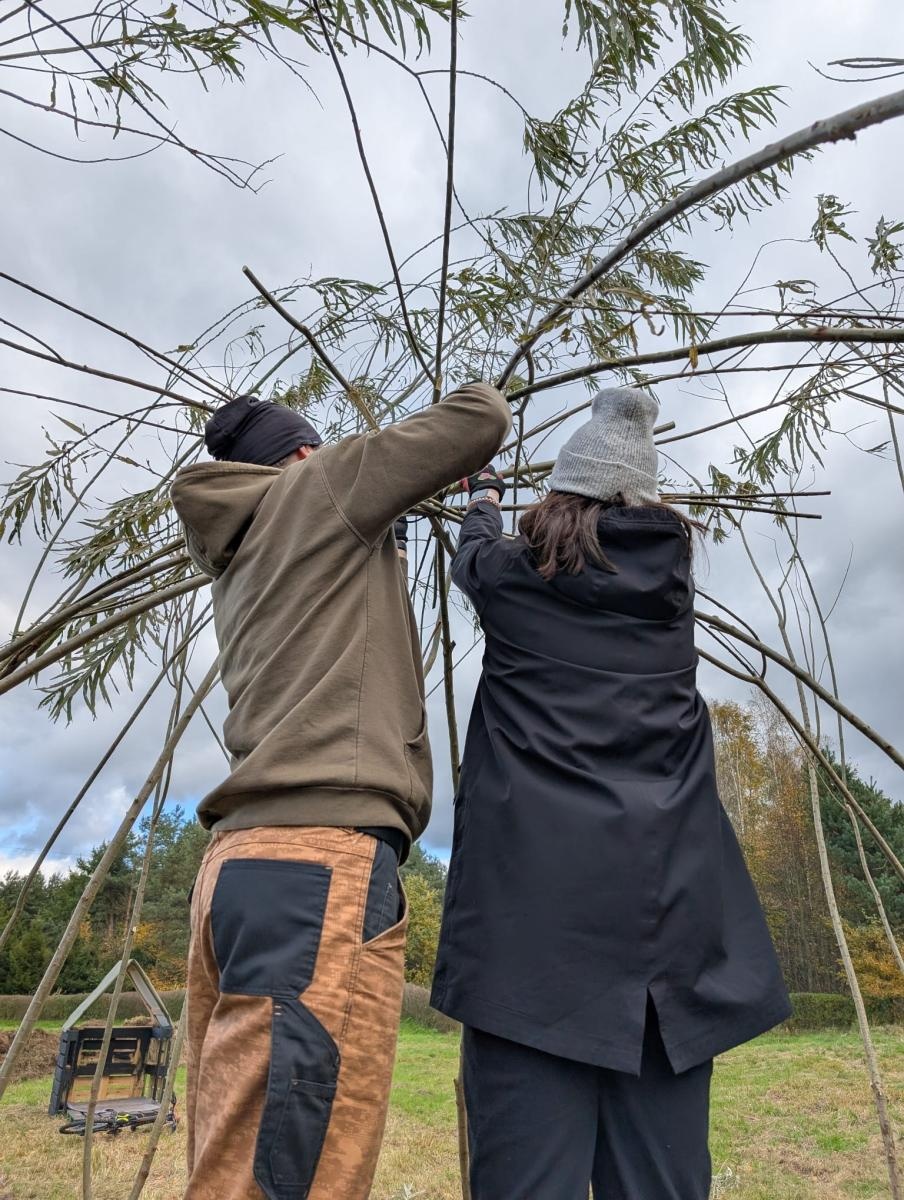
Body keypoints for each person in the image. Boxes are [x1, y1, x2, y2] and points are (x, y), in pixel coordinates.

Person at [430, 386, 791, 1200]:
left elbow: (473, 552)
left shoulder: (513, 588)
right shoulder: (670, 608)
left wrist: (481, 495)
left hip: (530, 963)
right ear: (649, 505)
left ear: (558, 500)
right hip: (665, 966)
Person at [170, 384, 511, 1200]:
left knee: (236, 1155)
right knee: (299, 1170)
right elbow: (481, 416)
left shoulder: (241, 542)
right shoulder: (319, 489)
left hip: (242, 865)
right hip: (317, 871)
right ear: (298, 454)